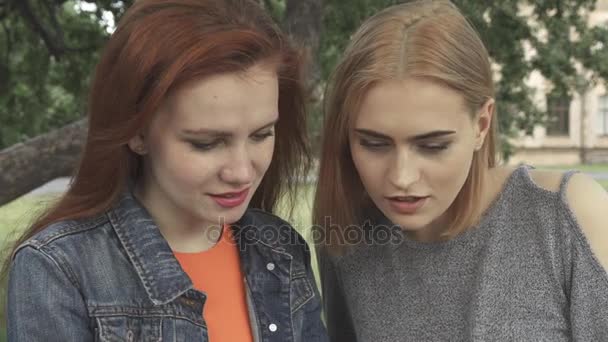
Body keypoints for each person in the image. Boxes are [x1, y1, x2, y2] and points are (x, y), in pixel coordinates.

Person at [5, 0, 328, 341]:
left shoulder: (280, 247)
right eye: (206, 143)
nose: (241, 172)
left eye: (261, 135)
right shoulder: (59, 270)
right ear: (137, 132)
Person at [313, 1, 608, 341]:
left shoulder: (565, 216)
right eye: (374, 144)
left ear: (481, 124)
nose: (402, 177)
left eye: (433, 146)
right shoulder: (346, 234)